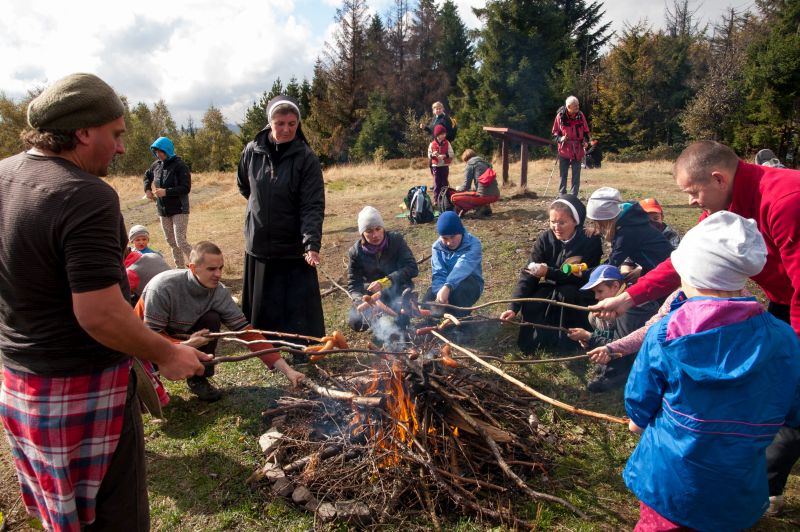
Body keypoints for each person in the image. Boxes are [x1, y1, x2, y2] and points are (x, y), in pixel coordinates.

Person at [0, 72, 208, 532]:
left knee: (62, 518)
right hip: (84, 389)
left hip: (21, 388)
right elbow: (98, 313)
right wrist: (167, 353)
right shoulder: (84, 194)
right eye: (115, 135)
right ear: (82, 131)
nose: (119, 148)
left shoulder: (5, 174)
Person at [590, 140, 800, 515]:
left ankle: (765, 484)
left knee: (790, 388)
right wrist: (628, 298)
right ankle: (757, 481)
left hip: (794, 298)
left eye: (692, 191)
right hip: (785, 299)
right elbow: (683, 259)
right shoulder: (722, 207)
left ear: (718, 178)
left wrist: (792, 355)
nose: (689, 202)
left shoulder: (785, 202)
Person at [623, 211, 800, 531]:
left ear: (695, 275)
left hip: (671, 486)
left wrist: (637, 422)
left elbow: (639, 401)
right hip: (738, 487)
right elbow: (793, 409)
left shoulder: (665, 335)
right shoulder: (784, 338)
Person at [137, 241, 305, 402]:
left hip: (180, 334)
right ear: (193, 268)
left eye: (221, 268)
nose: (218, 274)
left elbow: (246, 333)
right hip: (142, 342)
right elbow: (149, 337)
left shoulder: (219, 292)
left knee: (212, 319)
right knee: (150, 393)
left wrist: (288, 371)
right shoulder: (163, 288)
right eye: (211, 269)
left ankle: (199, 379)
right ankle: (147, 380)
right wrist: (187, 344)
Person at [237, 95, 325, 362]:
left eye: (291, 123)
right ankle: (267, 350)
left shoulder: (306, 158)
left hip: (293, 246)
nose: (286, 129)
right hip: (260, 242)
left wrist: (311, 243)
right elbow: (244, 185)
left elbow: (312, 204)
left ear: (298, 123)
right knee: (265, 303)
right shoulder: (252, 151)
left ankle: (300, 350)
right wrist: (261, 210)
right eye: (279, 123)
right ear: (269, 124)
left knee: (295, 303)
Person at [499, 195, 602, 353]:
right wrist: (514, 307)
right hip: (550, 287)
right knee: (535, 300)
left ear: (575, 221)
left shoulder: (589, 240)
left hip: (578, 290)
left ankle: (566, 345)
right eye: (552, 222)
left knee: (566, 295)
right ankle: (538, 344)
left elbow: (583, 276)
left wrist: (548, 272)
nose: (556, 227)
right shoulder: (545, 239)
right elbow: (528, 274)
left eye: (562, 222)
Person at [566, 265, 659, 392]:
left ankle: (619, 374)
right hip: (624, 345)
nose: (596, 297)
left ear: (615, 286)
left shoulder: (632, 308)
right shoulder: (619, 301)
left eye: (600, 291)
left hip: (639, 356)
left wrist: (589, 337)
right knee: (593, 316)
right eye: (594, 292)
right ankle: (609, 364)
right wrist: (589, 341)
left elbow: (624, 344)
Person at [347, 206, 419, 332]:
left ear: (383, 228)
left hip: (397, 289)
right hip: (373, 296)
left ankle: (401, 311)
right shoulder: (355, 252)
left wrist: (387, 281)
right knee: (356, 322)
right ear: (362, 233)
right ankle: (377, 318)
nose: (375, 235)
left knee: (402, 324)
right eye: (369, 231)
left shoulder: (396, 241)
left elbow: (412, 268)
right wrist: (361, 301)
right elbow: (354, 284)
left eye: (378, 229)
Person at [585, 187, 673, 275]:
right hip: (659, 268)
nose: (599, 227)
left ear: (607, 220)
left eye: (600, 224)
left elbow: (611, 264)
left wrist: (585, 273)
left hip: (665, 273)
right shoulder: (631, 221)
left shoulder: (627, 233)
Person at [143, 136, 192, 268]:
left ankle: (200, 266)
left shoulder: (180, 165)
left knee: (180, 241)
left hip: (179, 209)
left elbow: (186, 188)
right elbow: (147, 176)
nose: (158, 154)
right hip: (163, 210)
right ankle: (180, 269)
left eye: (161, 151)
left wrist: (166, 192)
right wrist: (147, 189)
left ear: (168, 150)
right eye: (156, 152)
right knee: (171, 241)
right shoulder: (156, 165)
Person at [424, 211, 483, 318]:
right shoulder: (437, 247)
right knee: (428, 299)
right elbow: (438, 273)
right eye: (445, 238)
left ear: (460, 231)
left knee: (459, 293)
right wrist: (439, 295)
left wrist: (447, 286)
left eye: (453, 237)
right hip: (446, 286)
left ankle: (459, 324)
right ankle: (431, 322)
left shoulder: (473, 244)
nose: (449, 242)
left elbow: (462, 266)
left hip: (470, 284)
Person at [551, 96, 590, 196]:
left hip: (578, 149)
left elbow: (586, 131)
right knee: (563, 174)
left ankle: (574, 196)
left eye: (578, 105)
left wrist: (585, 141)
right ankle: (562, 194)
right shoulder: (560, 116)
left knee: (576, 174)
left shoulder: (580, 115)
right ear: (568, 106)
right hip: (564, 149)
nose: (578, 107)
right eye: (575, 106)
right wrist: (561, 138)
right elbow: (554, 133)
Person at [451, 149, 499, 217]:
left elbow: (466, 187)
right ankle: (485, 206)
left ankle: (480, 208)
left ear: (466, 159)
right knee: (475, 191)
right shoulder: (485, 163)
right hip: (496, 195)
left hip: (484, 196)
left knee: (454, 198)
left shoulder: (470, 164)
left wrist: (457, 189)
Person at [428, 124, 454, 202]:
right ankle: (436, 200)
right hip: (435, 166)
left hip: (444, 165)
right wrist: (433, 155)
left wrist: (445, 155)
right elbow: (429, 155)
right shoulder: (432, 144)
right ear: (437, 135)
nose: (444, 135)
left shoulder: (447, 143)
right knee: (436, 183)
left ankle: (447, 199)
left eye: (444, 134)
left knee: (445, 183)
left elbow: (452, 153)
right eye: (442, 134)